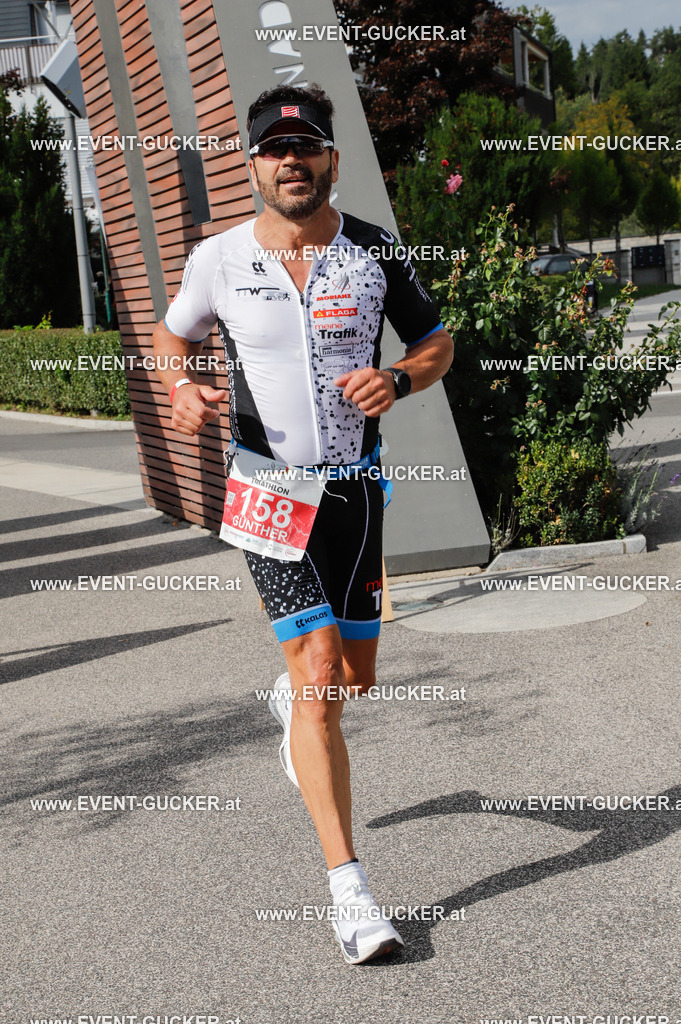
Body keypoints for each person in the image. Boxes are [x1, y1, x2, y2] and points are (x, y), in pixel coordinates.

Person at [152, 84, 453, 964]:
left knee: (350, 678)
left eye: (307, 147)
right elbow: (173, 340)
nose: (292, 161)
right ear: (253, 165)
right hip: (266, 492)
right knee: (320, 668)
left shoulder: (371, 250)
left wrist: (398, 380)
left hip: (356, 492)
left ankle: (295, 708)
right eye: (275, 150)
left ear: (331, 159)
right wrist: (181, 389)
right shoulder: (217, 258)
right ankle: (351, 893)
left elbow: (435, 340)